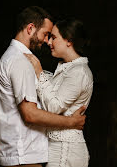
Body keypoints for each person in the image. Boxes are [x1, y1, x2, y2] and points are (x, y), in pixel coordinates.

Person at [0, 6, 86, 167]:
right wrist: (71, 122)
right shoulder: (19, 61)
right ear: (30, 28)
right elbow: (30, 114)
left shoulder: (18, 58)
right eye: (45, 34)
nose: (46, 41)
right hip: (23, 156)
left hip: (23, 154)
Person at [24, 18, 93, 167]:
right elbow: (51, 91)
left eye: (53, 37)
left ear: (69, 41)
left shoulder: (79, 72)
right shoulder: (66, 67)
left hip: (66, 150)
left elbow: (54, 107)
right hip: (57, 146)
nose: (48, 42)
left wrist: (39, 72)